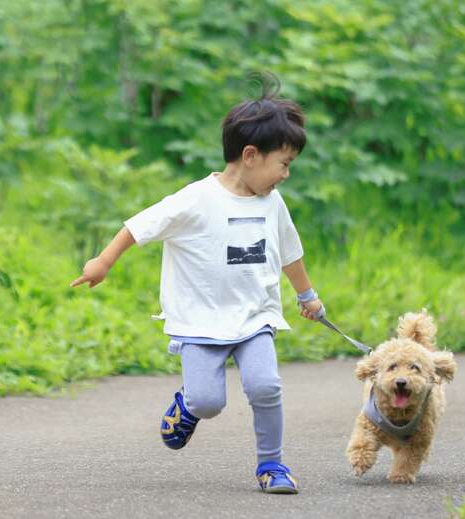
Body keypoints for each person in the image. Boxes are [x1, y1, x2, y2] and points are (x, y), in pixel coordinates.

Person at [70, 75, 324, 495]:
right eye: (284, 163)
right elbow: (139, 226)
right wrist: (103, 261)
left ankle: (271, 464)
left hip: (255, 316)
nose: (286, 174)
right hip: (200, 320)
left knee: (266, 387)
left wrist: (307, 296)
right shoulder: (195, 199)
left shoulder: (272, 203)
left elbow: (288, 252)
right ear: (250, 155)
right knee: (208, 401)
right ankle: (188, 404)